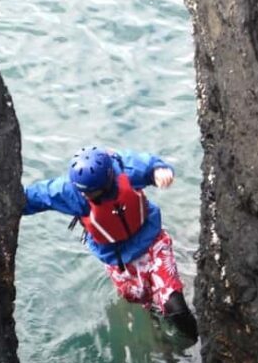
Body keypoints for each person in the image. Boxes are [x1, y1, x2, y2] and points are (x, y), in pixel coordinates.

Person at [22, 146, 199, 341]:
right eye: (83, 193)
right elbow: (37, 196)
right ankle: (160, 333)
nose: (86, 197)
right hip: (120, 260)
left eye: (91, 193)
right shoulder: (72, 192)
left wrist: (160, 171)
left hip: (152, 243)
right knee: (146, 302)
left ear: (107, 183)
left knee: (175, 307)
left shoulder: (125, 171)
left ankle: (197, 346)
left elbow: (150, 164)